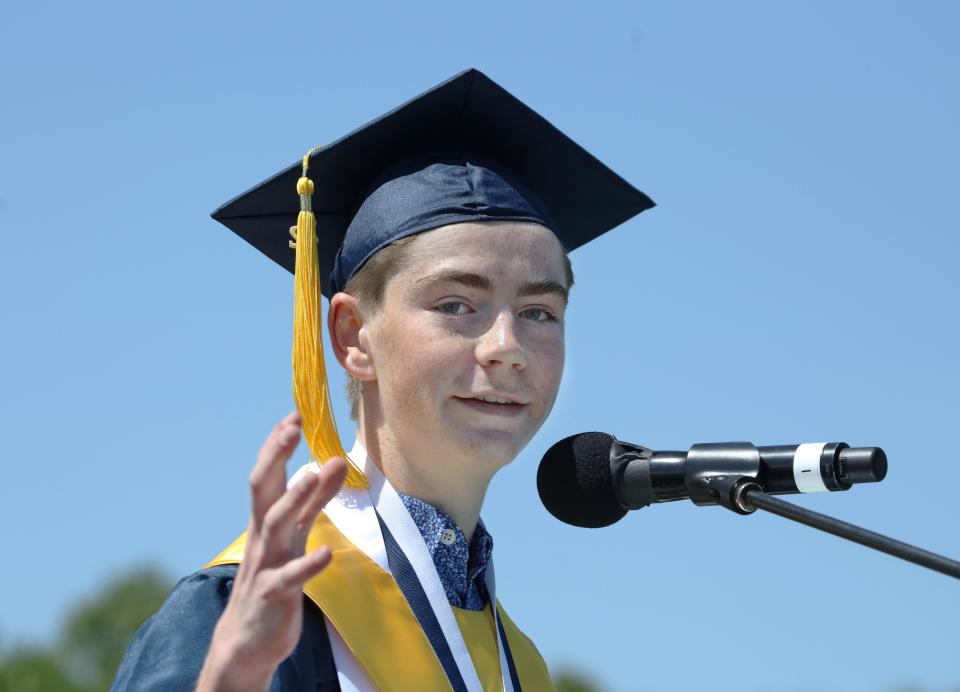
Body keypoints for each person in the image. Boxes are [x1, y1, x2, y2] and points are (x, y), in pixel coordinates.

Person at [111, 68, 653, 691]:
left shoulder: (522, 668)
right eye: (455, 305)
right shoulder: (254, 612)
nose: (508, 348)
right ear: (350, 336)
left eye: (538, 313)